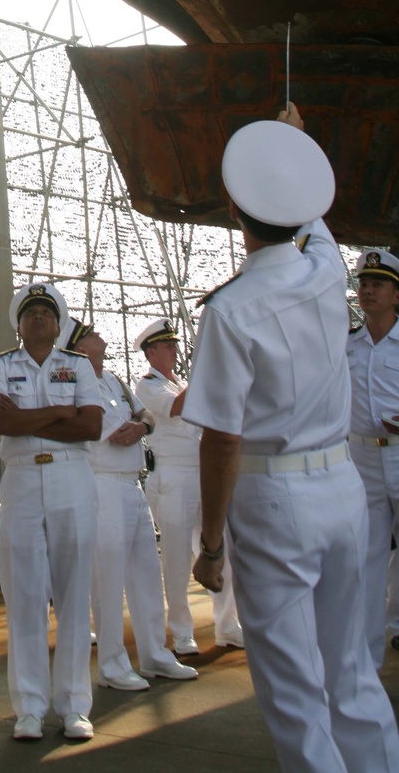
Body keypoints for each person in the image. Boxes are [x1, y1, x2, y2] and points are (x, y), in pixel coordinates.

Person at [185, 102, 399, 773]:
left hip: (272, 501)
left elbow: (220, 439)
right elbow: (314, 220)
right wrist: (295, 145)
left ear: (232, 211)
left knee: (294, 693)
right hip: (341, 488)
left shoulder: (231, 310)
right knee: (353, 672)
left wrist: (211, 543)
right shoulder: (328, 269)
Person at [0, 282, 103, 744]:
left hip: (73, 479)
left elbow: (91, 427)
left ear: (58, 323)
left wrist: (34, 416)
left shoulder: (77, 366)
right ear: (19, 323)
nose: (38, 318)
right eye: (30, 312)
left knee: (74, 596)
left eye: (46, 313)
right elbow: (0, 423)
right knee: (25, 595)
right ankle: (29, 707)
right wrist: (59, 414)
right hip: (24, 480)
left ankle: (74, 707)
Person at [69, 322, 197, 692]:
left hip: (132, 481)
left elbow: (148, 416)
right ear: (79, 347)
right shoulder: (73, 381)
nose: (99, 333)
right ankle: (111, 664)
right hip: (100, 480)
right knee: (107, 577)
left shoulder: (114, 379)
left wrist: (140, 429)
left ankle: (155, 653)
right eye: (91, 333)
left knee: (145, 571)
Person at [134, 318, 242, 653]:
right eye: (167, 345)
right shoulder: (149, 386)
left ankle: (228, 625)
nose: (174, 349)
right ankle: (182, 631)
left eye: (174, 344)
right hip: (172, 477)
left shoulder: (179, 381)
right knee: (178, 559)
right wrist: (209, 372)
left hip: (201, 474)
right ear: (151, 353)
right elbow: (179, 406)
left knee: (218, 548)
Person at [347, 247, 399, 665]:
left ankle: (397, 627)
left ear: (396, 295)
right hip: (361, 458)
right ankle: (367, 657)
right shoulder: (347, 345)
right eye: (364, 283)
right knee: (368, 557)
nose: (367, 290)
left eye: (377, 284)